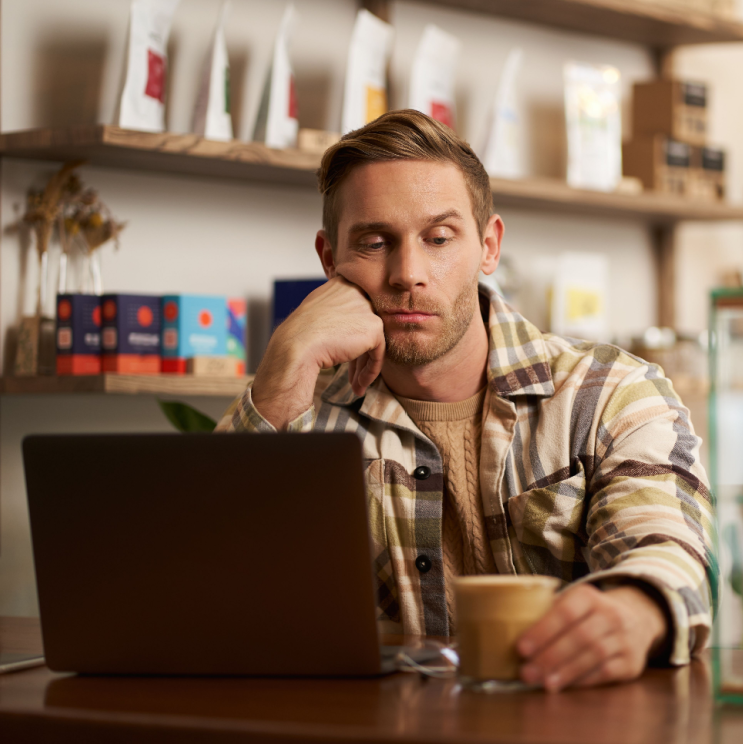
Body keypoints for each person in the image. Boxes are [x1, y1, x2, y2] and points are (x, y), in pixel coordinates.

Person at [218, 110, 713, 692]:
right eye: (375, 242)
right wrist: (280, 372)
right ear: (330, 260)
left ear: (489, 246)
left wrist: (636, 610)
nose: (408, 274)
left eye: (439, 238)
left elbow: (665, 545)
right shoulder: (293, 413)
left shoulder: (607, 394)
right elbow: (192, 588)